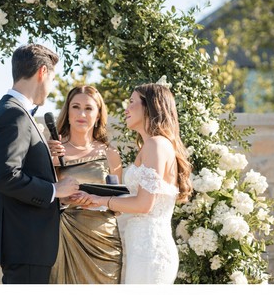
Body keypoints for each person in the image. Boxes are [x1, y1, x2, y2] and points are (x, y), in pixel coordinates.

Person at [72, 83, 193, 284]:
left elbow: (144, 205)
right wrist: (95, 202)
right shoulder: (151, 145)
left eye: (131, 102)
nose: (126, 109)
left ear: (150, 106)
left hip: (151, 250)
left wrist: (100, 198)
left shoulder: (155, 144)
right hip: (140, 248)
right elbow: (135, 201)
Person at [0, 44, 81, 284]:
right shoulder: (14, 115)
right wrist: (56, 190)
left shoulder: (11, 112)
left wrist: (43, 153)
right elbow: (6, 177)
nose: (52, 87)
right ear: (42, 72)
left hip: (25, 243)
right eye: (53, 78)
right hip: (26, 242)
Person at [46, 86, 124, 284]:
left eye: (89, 108)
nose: (82, 114)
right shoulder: (52, 152)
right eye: (76, 107)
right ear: (68, 112)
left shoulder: (110, 154)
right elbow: (41, 195)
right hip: (65, 237)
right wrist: (63, 198)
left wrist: (97, 201)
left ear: (98, 115)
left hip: (104, 243)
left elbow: (120, 205)